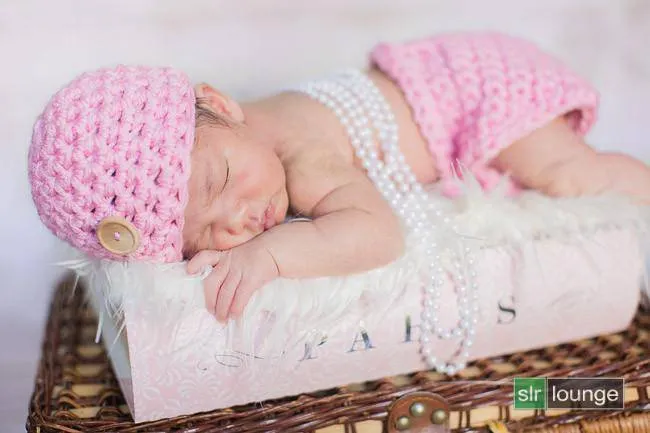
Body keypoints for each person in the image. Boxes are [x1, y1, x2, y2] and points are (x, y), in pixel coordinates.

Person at [28, 32, 650, 323]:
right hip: (445, 84)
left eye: (222, 182)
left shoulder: (300, 157)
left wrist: (272, 258)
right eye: (204, 235)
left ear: (220, 103)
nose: (240, 219)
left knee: (571, 177)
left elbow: (379, 232)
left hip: (486, 92)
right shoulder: (245, 137)